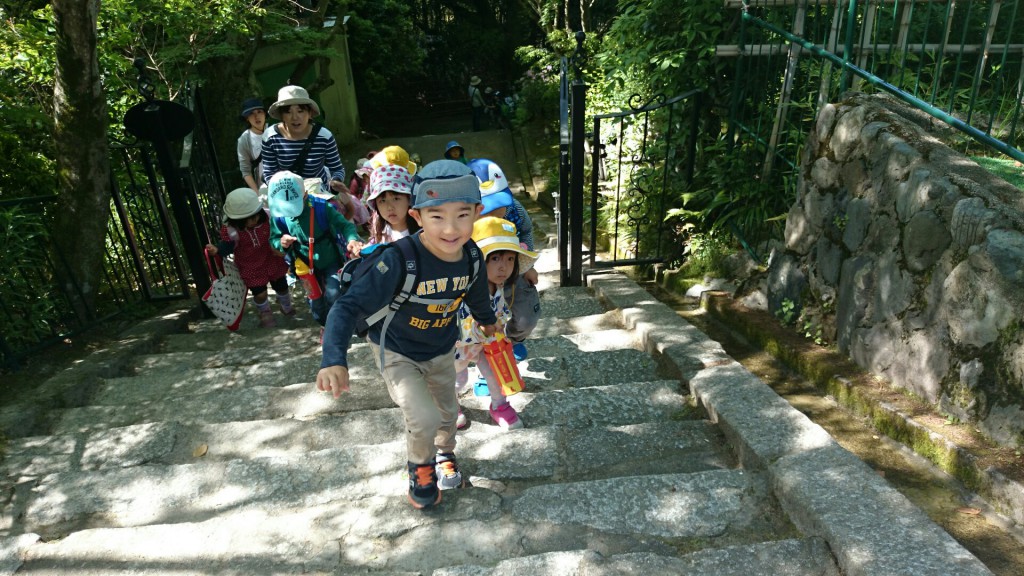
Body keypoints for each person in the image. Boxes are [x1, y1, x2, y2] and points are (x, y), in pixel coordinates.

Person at [316, 159, 498, 510]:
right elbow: (346, 306)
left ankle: (444, 454)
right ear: (416, 217)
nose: (450, 228)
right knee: (424, 416)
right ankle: (421, 467)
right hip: (396, 350)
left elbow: (475, 294)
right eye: (436, 216)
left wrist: (487, 320)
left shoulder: (472, 257)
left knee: (446, 413)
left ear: (477, 211)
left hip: (442, 348)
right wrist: (333, 359)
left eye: (462, 215)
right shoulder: (399, 259)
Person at [454, 217, 537, 430]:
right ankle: (450, 406)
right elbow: (462, 324)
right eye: (496, 258)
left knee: (495, 373)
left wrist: (499, 324)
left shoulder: (496, 287)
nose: (504, 267)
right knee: (457, 380)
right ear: (480, 261)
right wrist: (486, 327)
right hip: (456, 350)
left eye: (510, 260)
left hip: (484, 345)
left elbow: (500, 310)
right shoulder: (466, 290)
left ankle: (500, 406)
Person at [267, 171, 363, 327]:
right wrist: (281, 243)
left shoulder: (321, 208)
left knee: (333, 293)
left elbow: (345, 225)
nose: (288, 211)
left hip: (330, 259)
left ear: (305, 195)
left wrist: (352, 239)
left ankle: (334, 326)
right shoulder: (278, 216)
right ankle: (324, 324)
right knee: (315, 300)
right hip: (304, 264)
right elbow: (274, 240)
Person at [468, 158, 541, 361]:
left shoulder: (514, 209)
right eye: (485, 208)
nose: (492, 213)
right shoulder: (462, 217)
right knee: (484, 320)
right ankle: (487, 354)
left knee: (527, 316)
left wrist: (527, 266)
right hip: (479, 277)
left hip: (510, 267)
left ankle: (515, 339)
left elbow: (526, 230)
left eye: (498, 205)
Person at [261, 85, 360, 216]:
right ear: (281, 115)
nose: (295, 117)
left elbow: (337, 168)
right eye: (288, 111)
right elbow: (269, 174)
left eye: (300, 111)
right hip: (286, 197)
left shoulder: (324, 136)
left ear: (309, 113)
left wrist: (335, 181)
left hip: (319, 195)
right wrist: (290, 194)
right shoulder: (270, 137)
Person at [205, 188, 293, 328]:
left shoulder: (269, 218)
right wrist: (218, 250)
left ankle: (286, 306)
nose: (255, 220)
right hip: (250, 265)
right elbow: (228, 246)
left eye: (256, 216)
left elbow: (279, 233)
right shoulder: (231, 230)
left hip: (271, 258)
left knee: (281, 285)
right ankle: (265, 313)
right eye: (249, 219)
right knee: (260, 293)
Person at [365, 164, 419, 244]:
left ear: (409, 200)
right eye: (382, 201)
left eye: (396, 199)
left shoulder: (423, 234)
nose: (389, 207)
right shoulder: (379, 232)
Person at [236, 97, 266, 193]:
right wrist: (258, 194)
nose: (256, 116)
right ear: (247, 118)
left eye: (259, 111)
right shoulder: (244, 140)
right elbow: (245, 171)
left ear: (265, 114)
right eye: (251, 113)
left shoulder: (275, 130)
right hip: (265, 189)